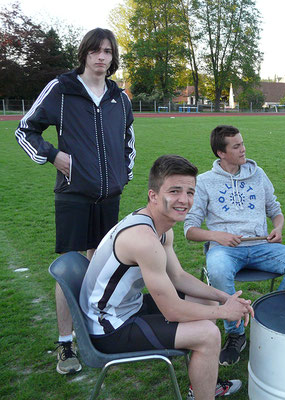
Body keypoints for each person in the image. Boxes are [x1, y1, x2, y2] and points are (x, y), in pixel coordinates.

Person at [14, 28, 135, 374]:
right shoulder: (62, 90)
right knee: (70, 268)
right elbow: (25, 129)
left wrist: (121, 176)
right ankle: (66, 345)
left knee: (100, 266)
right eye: (95, 51)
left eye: (108, 52)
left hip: (109, 195)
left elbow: (129, 140)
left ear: (113, 58)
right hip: (73, 194)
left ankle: (95, 332)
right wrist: (53, 156)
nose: (102, 57)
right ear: (84, 54)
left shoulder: (119, 98)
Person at [80, 155, 251, 399]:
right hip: (108, 326)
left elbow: (179, 277)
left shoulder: (161, 228)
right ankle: (205, 393)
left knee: (208, 302)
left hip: (126, 308)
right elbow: (172, 311)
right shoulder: (144, 240)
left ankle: (202, 382)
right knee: (209, 334)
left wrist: (225, 298)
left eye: (190, 192)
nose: (184, 200)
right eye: (174, 191)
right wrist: (226, 313)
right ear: (153, 195)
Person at [184, 125, 285, 366]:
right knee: (218, 270)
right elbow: (189, 230)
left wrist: (278, 228)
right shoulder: (204, 182)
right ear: (221, 153)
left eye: (242, 143)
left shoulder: (257, 173)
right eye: (236, 146)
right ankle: (236, 334)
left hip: (262, 246)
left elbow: (275, 210)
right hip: (225, 249)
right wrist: (216, 236)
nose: (243, 149)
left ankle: (272, 321)